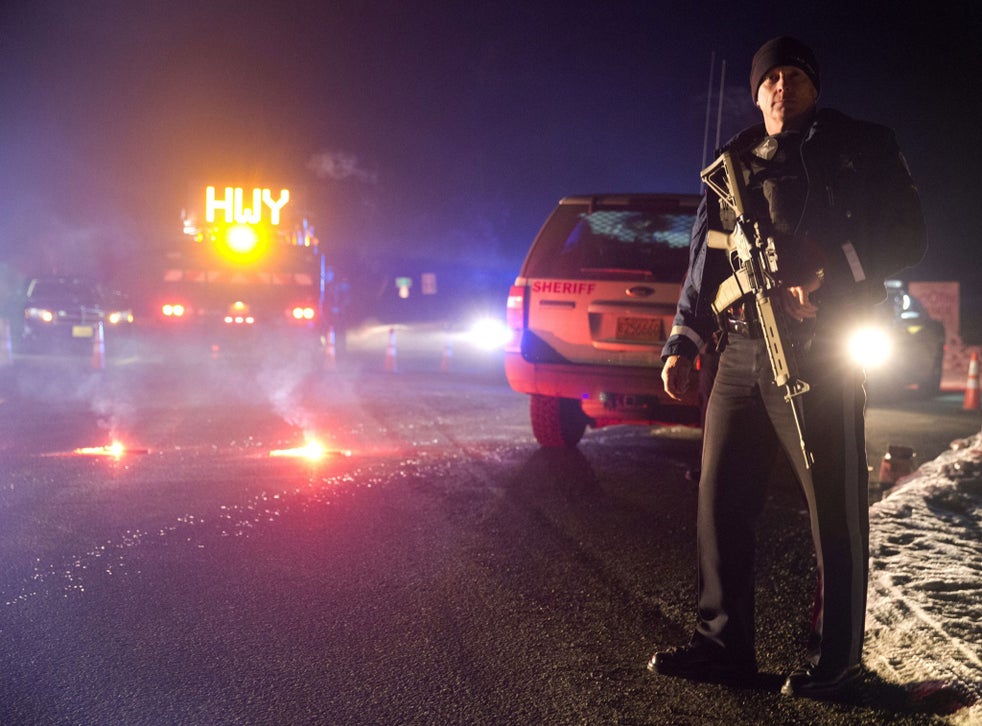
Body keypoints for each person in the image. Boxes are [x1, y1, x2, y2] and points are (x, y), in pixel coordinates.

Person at [650, 36, 925, 698]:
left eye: (795, 75)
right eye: (770, 76)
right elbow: (705, 261)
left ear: (814, 86)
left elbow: (909, 234)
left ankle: (839, 667)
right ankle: (723, 649)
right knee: (720, 501)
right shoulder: (731, 164)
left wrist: (832, 263)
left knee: (835, 510)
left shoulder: (862, 146)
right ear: (755, 90)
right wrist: (683, 341)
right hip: (740, 351)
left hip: (822, 348)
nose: (782, 85)